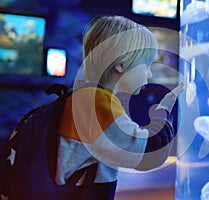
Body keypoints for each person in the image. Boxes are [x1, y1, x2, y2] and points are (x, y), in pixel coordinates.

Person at [55, 15, 184, 199]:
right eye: (147, 65)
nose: (149, 74)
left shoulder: (81, 96)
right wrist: (163, 112)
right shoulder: (97, 104)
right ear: (122, 64)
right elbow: (150, 154)